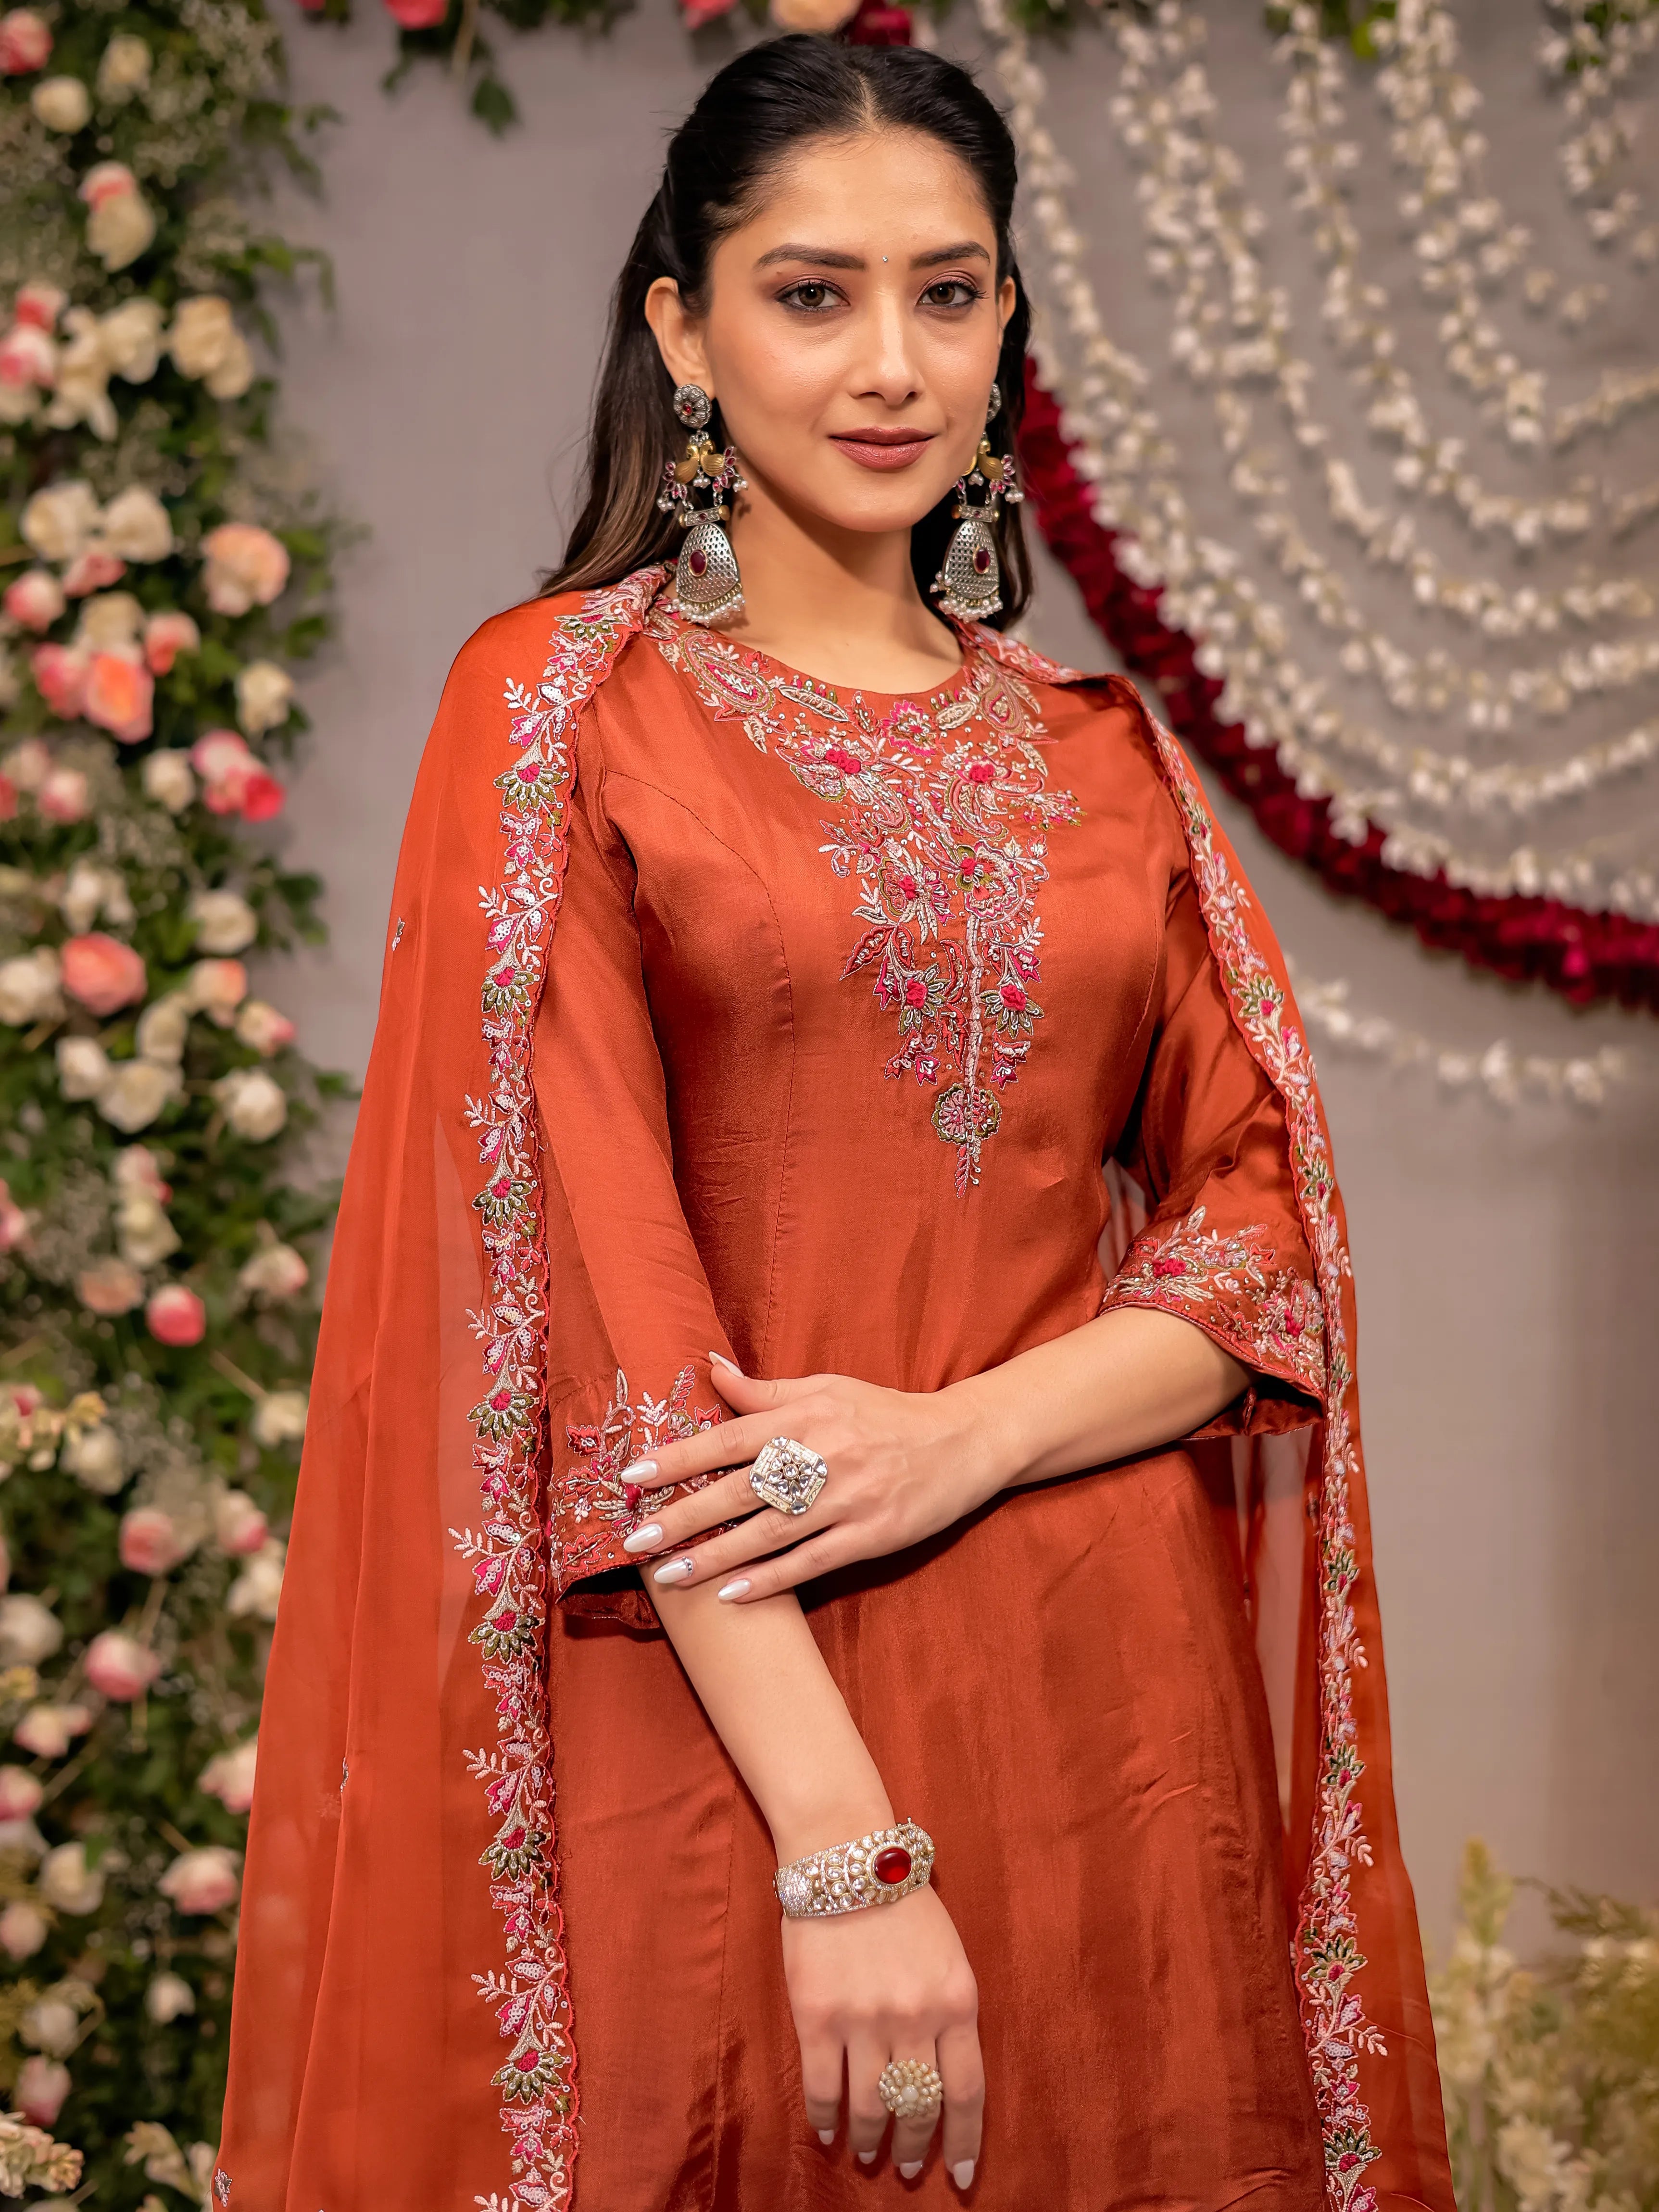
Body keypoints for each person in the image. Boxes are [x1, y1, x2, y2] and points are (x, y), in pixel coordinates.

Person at [217, 35, 1453, 2212]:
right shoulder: (568, 713)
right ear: (681, 331)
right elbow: (606, 1332)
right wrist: (839, 1842)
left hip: (1105, 1710)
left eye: (947, 293)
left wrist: (952, 1435)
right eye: (810, 294)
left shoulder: (1099, 758)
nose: (890, 363)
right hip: (738, 1716)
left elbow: (1264, 1241)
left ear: (1005, 328)